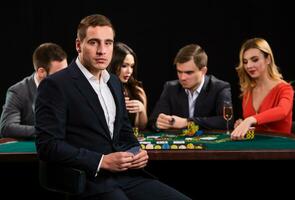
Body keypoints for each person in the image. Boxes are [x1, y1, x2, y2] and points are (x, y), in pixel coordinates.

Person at [35, 14, 191, 200]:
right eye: (94, 42)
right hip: (89, 180)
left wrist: (136, 151)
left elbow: (124, 130)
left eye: (108, 43)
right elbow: (48, 146)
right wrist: (101, 161)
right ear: (79, 45)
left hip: (128, 177)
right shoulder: (56, 85)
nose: (102, 50)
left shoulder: (115, 83)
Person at [149, 44, 232, 131]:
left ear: (203, 71)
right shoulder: (170, 88)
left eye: (189, 73)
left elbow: (227, 121)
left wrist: (187, 122)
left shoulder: (220, 88)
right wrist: (158, 124)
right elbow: (153, 121)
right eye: (179, 72)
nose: (182, 78)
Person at [0, 42, 67, 139]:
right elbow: (7, 128)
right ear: (41, 72)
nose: (64, 77)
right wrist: (46, 131)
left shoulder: (69, 85)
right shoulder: (18, 92)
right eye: (58, 74)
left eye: (66, 71)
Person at [231, 38, 294, 140]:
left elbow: (282, 111)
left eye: (255, 60)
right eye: (245, 62)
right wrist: (243, 125)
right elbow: (256, 128)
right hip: (254, 149)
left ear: (268, 59)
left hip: (279, 149)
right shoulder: (248, 91)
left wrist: (250, 119)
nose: (249, 66)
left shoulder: (285, 88)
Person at [109, 42, 148, 130]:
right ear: (113, 64)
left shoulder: (137, 90)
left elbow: (142, 127)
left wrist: (141, 110)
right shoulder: (102, 88)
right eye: (124, 66)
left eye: (132, 66)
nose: (129, 71)